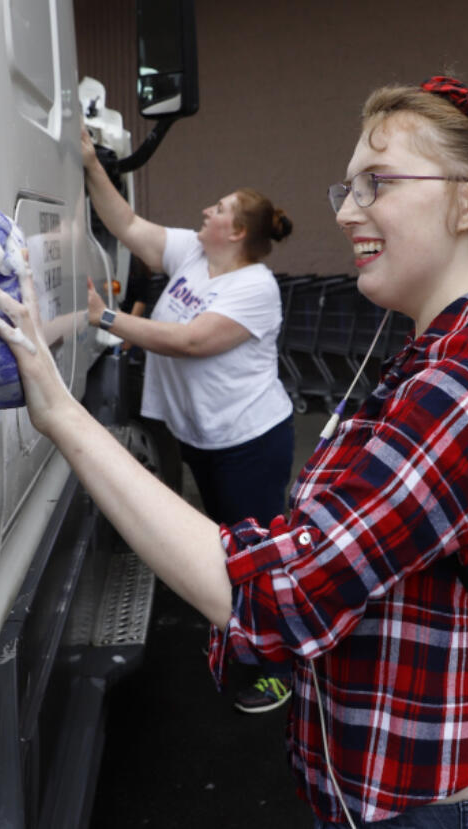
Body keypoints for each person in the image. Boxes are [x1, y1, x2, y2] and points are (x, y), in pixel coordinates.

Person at [0, 74, 468, 829]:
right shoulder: (445, 353)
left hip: (440, 808)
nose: (349, 212)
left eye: (378, 184)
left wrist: (61, 415)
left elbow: (284, 588)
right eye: (349, 188)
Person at [80, 130, 298, 714]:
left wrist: (107, 319)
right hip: (207, 436)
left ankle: (278, 670)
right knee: (229, 547)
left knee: (257, 556)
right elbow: (125, 223)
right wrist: (87, 162)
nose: (207, 211)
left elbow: (191, 341)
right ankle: (243, 634)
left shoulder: (255, 286)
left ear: (239, 233)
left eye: (220, 208)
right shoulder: (191, 254)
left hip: (249, 440)